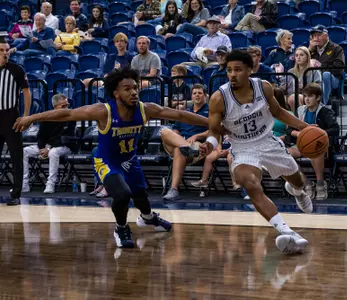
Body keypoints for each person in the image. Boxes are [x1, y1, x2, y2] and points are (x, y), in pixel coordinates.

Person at [13, 66, 209, 248]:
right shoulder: (104, 111)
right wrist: (32, 117)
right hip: (106, 161)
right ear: (116, 93)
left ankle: (148, 218)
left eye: (135, 88)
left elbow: (179, 115)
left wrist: (212, 123)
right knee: (122, 195)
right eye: (127, 89)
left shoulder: (145, 108)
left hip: (129, 160)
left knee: (141, 196)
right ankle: (121, 228)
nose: (133, 92)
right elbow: (68, 114)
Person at [199, 50, 313, 254]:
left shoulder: (264, 87)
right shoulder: (219, 98)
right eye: (229, 70)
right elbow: (215, 130)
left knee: (298, 180)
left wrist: (308, 129)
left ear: (250, 71)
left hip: (267, 142)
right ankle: (287, 232)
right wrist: (209, 143)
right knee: (248, 182)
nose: (232, 74)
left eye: (238, 70)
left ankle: (296, 190)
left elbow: (279, 112)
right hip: (242, 148)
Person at [287, 83, 339, 201]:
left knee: (317, 151)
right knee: (285, 154)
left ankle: (320, 184)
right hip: (302, 144)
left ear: (318, 98)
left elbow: (335, 129)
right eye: (305, 96)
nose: (307, 99)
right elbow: (289, 129)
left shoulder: (325, 111)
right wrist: (300, 133)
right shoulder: (300, 111)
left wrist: (316, 132)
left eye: (310, 96)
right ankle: (306, 183)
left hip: (320, 144)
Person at [22, 94, 76, 194]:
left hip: (64, 146)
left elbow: (63, 138)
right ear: (55, 107)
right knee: (24, 151)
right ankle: (24, 184)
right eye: (63, 106)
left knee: (53, 153)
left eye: (67, 105)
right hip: (47, 146)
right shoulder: (46, 117)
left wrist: (48, 149)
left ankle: (51, 184)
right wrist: (42, 148)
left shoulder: (71, 117)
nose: (66, 108)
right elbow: (41, 136)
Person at [0, 37, 31, 206]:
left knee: (16, 156)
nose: (5, 53)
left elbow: (27, 93)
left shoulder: (16, 69)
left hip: (11, 116)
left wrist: (26, 115)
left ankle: (16, 194)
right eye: (1, 50)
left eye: (7, 50)